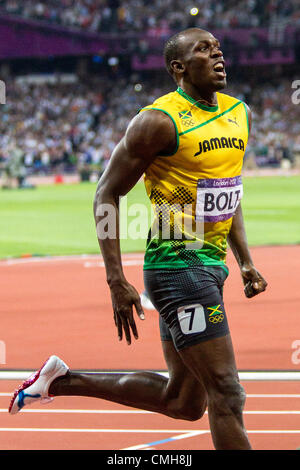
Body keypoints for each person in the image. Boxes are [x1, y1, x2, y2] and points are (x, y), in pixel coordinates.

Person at [9, 28, 267, 450]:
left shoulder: (240, 113)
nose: (218, 56)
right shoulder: (158, 121)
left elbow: (228, 190)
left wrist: (245, 261)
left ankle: (60, 380)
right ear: (177, 68)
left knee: (183, 401)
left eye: (219, 49)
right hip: (177, 267)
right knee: (228, 392)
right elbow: (106, 192)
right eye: (204, 50)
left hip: (211, 264)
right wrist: (115, 278)